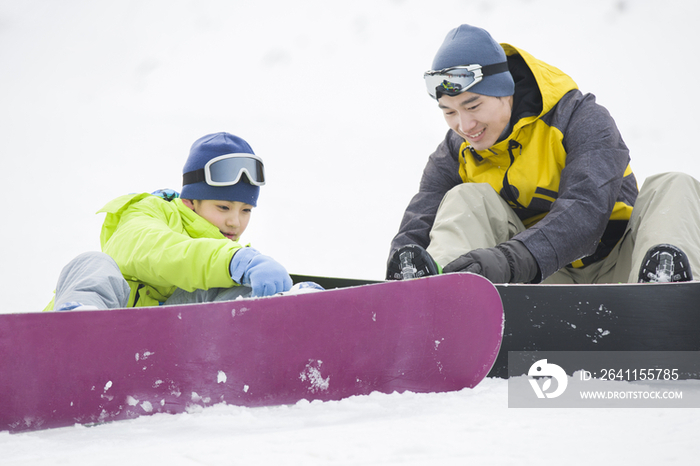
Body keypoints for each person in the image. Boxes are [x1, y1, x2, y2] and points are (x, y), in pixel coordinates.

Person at [386, 24, 700, 285]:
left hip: (620, 270)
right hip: (542, 284)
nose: (464, 125)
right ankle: (431, 298)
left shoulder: (579, 119)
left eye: (473, 105)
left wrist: (508, 260)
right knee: (465, 199)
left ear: (505, 92)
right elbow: (419, 222)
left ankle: (666, 294)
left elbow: (586, 211)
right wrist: (403, 261)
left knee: (674, 184)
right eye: (449, 112)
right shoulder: (456, 154)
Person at [46, 132, 293, 311]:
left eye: (246, 210)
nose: (234, 222)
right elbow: (154, 251)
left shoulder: (228, 261)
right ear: (190, 201)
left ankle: (292, 310)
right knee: (93, 263)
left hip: (164, 348)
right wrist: (232, 261)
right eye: (223, 207)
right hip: (113, 325)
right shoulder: (148, 211)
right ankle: (77, 330)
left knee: (242, 290)